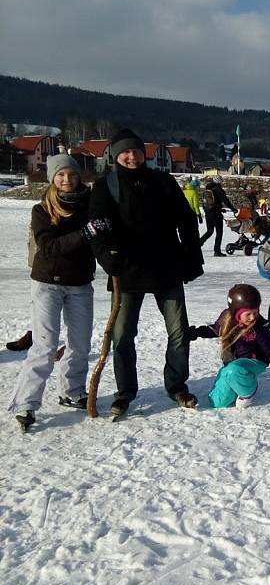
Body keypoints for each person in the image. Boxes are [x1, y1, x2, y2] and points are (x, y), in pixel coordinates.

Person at [89, 128, 204, 418]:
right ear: (116, 156)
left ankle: (177, 385)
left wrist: (191, 255)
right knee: (123, 336)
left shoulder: (163, 181)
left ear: (144, 153)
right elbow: (97, 225)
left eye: (136, 151)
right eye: (125, 152)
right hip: (126, 272)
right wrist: (105, 256)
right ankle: (125, 392)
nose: (131, 156)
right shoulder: (106, 186)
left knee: (178, 332)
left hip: (166, 269)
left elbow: (186, 220)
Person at [8, 155, 102, 431]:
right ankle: (26, 403)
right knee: (45, 345)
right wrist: (85, 234)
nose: (66, 179)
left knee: (80, 343)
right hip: (48, 284)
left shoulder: (90, 205)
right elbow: (49, 247)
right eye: (60, 175)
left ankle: (72, 391)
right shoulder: (42, 210)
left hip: (81, 283)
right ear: (52, 178)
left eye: (71, 174)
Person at [188, 284, 270, 408]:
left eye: (255, 312)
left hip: (254, 362)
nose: (253, 317)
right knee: (217, 402)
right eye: (248, 314)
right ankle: (237, 384)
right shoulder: (227, 319)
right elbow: (215, 330)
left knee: (233, 370)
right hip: (233, 365)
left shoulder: (259, 328)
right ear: (236, 313)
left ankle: (248, 391)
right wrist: (195, 333)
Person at [199, 175, 236, 257]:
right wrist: (233, 208)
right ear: (219, 181)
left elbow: (211, 202)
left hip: (208, 213)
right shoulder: (218, 189)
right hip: (216, 214)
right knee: (219, 232)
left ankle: (197, 245)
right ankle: (217, 251)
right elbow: (225, 200)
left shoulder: (208, 189)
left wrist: (220, 209)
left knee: (209, 231)